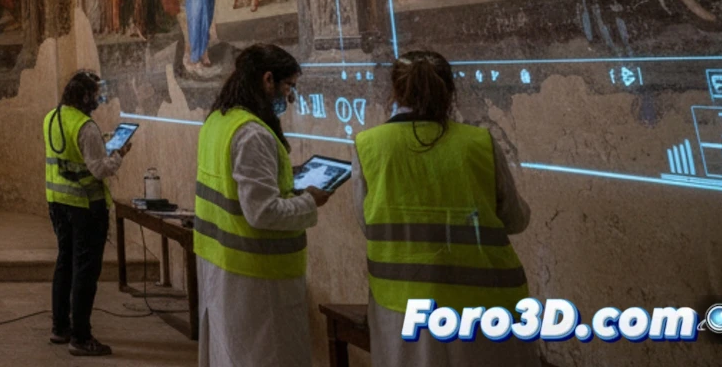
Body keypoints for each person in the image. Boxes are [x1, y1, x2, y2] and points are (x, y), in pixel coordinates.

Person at [356, 51, 533, 366]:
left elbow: (368, 223)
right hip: (486, 307)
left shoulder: (369, 145)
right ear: (450, 91)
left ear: (395, 93)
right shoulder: (479, 142)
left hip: (400, 305)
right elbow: (515, 219)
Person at [193, 44, 332, 367]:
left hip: (222, 262)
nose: (289, 96)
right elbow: (262, 211)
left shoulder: (219, 121)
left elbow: (239, 184)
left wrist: (288, 179)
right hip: (257, 274)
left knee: (230, 355)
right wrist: (310, 200)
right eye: (289, 87)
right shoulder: (252, 133)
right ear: (268, 80)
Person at [42, 69, 126, 357]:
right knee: (85, 271)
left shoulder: (52, 117)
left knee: (65, 263)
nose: (99, 99)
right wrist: (118, 154)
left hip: (57, 203)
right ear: (85, 96)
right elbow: (99, 169)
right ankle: (81, 336)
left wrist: (100, 145)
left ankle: (60, 327)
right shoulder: (86, 127)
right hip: (85, 207)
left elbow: (69, 154)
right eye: (96, 94)